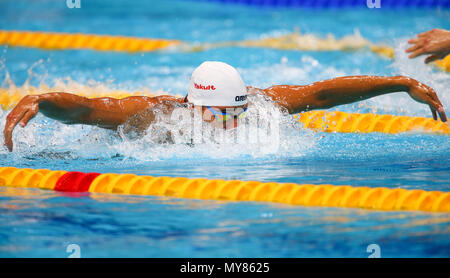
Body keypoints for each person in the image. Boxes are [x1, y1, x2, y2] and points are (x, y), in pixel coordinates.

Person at [3, 61, 447, 152]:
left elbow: (321, 94)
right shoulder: (153, 115)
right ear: (193, 105)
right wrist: (44, 100)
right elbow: (84, 110)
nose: (233, 124)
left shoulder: (254, 104)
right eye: (222, 114)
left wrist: (398, 82)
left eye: (238, 113)